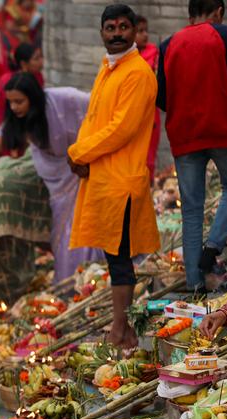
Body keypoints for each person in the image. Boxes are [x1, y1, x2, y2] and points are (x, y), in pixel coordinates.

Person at [0, 73, 104, 287]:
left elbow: (101, 105)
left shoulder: (65, 99)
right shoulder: (17, 119)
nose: (14, 107)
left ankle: (96, 282)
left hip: (87, 168)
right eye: (10, 102)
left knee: (86, 229)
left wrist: (93, 153)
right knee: (64, 237)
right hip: (56, 179)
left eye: (19, 101)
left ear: (33, 98)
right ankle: (73, 287)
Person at [68, 3, 160, 348]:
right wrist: (81, 154)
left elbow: (121, 129)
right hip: (104, 178)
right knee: (115, 258)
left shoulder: (137, 73)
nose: (118, 34)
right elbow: (94, 120)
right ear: (102, 33)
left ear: (136, 31)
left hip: (121, 181)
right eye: (111, 28)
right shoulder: (109, 68)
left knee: (120, 261)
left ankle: (121, 332)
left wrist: (78, 152)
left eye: (124, 27)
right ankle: (124, 329)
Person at [157, 0, 227, 292]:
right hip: (222, 131)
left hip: (184, 136)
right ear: (218, 11)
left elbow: (162, 98)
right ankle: (213, 246)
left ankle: (194, 284)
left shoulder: (168, 44)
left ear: (189, 14)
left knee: (191, 209)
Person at [0, 42, 45, 143]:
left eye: (41, 57)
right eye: (36, 59)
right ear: (24, 64)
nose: (42, 62)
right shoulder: (9, 81)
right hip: (5, 125)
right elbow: (2, 111)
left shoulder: (38, 77)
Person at [135, 14, 162, 176]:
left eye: (146, 31)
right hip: (132, 113)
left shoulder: (153, 53)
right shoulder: (126, 57)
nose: (145, 34)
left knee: (149, 156)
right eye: (140, 31)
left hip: (150, 115)